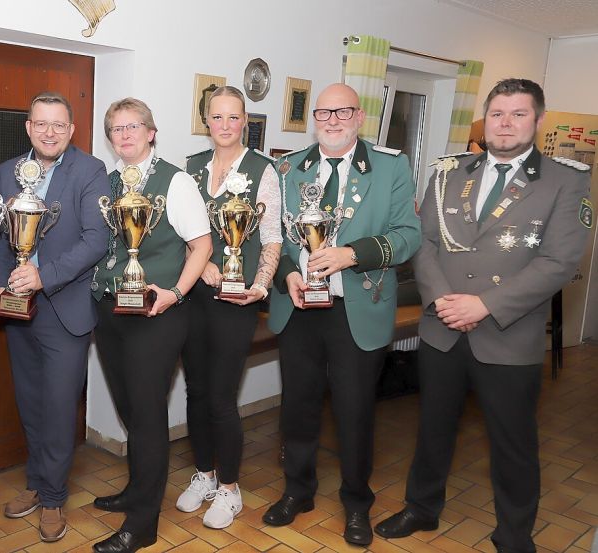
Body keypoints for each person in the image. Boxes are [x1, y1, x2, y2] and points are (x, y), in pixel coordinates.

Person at [376, 78, 593, 553]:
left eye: (518, 114)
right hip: (443, 329)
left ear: (537, 120)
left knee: (513, 444)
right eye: (497, 113)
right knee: (432, 428)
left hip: (508, 334)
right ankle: (422, 507)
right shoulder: (450, 172)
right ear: (485, 119)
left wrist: (484, 305)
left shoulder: (566, 180)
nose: (506, 123)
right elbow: (426, 241)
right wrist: (440, 301)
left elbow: (559, 262)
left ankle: (514, 535)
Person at [264, 83, 421, 546]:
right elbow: (272, 235)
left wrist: (352, 254)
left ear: (359, 116)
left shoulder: (390, 167)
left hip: (358, 307)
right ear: (315, 117)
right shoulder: (288, 166)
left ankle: (357, 504)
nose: (332, 120)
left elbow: (408, 235)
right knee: (298, 408)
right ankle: (298, 491)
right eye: (324, 113)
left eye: (343, 112)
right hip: (299, 307)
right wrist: (286, 274)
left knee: (354, 413)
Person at [90, 98, 212, 553]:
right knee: (130, 410)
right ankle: (136, 491)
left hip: (157, 314)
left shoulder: (175, 181)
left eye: (133, 127)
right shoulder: (106, 182)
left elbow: (201, 245)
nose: (124, 135)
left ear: (151, 131)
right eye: (116, 129)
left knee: (147, 415)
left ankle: (142, 525)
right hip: (110, 311)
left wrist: (176, 293)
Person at [0, 91, 110, 543]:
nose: (49, 132)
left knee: (60, 408)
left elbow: (95, 241)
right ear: (28, 127)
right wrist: (2, 284)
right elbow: (2, 239)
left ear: (72, 129)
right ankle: (37, 485)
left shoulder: (90, 171)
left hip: (64, 308)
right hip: (18, 309)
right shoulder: (7, 171)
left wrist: (42, 277)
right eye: (41, 124)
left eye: (58, 125)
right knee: (30, 404)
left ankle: (55, 498)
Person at [177, 86, 283, 531]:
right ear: (207, 121)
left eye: (233, 117)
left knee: (221, 397)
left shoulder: (264, 170)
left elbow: (273, 236)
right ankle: (204, 474)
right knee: (195, 393)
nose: (224, 125)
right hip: (194, 297)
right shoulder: (191, 168)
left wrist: (260, 285)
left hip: (236, 301)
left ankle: (230, 489)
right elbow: (182, 231)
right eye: (216, 117)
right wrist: (198, 267)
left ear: (245, 122)